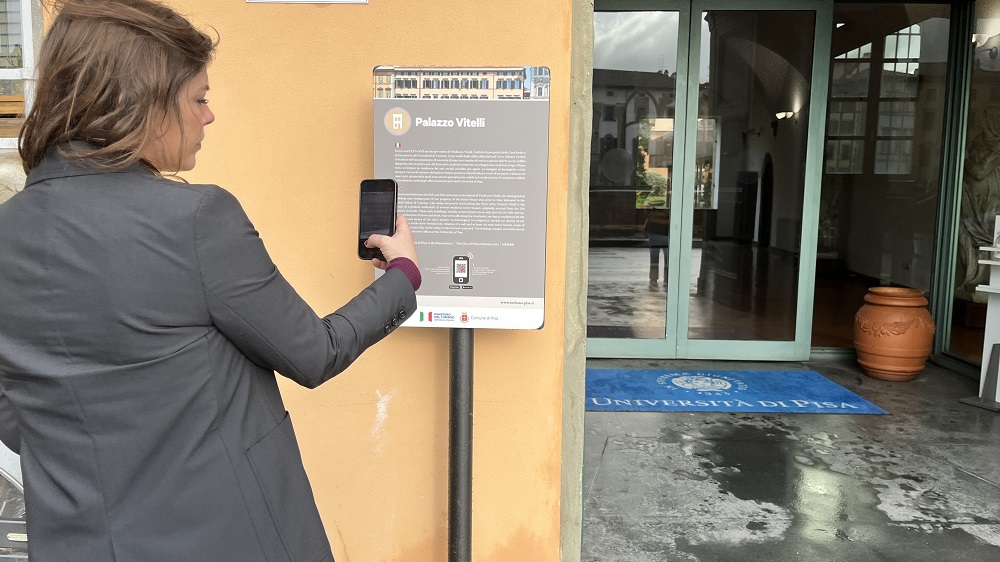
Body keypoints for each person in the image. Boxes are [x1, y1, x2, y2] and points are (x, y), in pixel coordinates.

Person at [0, 1, 421, 560]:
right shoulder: (195, 221)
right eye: (199, 98)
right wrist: (402, 278)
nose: (209, 116)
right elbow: (314, 353)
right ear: (138, 103)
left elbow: (14, 413)